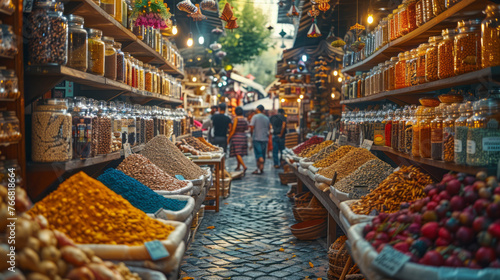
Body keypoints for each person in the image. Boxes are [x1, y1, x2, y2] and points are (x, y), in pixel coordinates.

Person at [249, 105, 270, 175]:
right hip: (265, 138)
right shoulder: (267, 118)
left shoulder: (255, 117)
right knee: (263, 152)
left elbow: (251, 126)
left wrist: (252, 134)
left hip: (257, 137)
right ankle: (260, 168)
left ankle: (260, 161)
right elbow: (268, 128)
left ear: (257, 109)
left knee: (258, 153)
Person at [228, 106, 248, 174]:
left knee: (237, 152)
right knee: (239, 152)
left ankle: (244, 166)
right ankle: (238, 166)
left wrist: (229, 138)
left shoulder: (236, 119)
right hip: (243, 136)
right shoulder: (245, 119)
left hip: (236, 137)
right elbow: (246, 128)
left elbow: (233, 130)